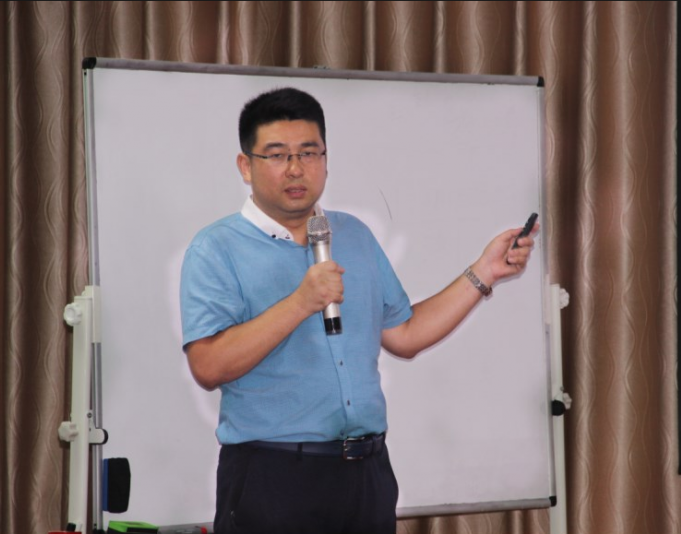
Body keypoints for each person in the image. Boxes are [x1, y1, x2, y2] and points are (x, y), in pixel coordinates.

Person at [179, 87, 538, 534]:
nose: (295, 167)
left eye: (308, 152)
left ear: (325, 160)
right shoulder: (216, 249)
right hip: (273, 477)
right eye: (277, 155)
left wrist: (484, 272)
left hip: (365, 475)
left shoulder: (353, 235)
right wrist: (300, 303)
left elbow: (405, 334)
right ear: (245, 166)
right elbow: (208, 366)